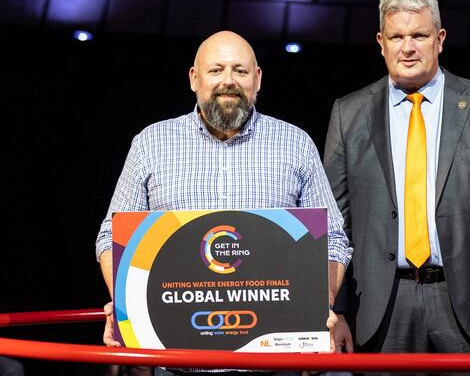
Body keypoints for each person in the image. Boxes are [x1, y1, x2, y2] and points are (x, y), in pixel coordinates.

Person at [95, 31, 351, 372]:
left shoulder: (296, 143)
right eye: (216, 70)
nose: (227, 81)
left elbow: (332, 239)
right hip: (177, 364)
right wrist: (127, 305)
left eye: (240, 71)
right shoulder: (150, 144)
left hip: (275, 363)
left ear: (257, 79)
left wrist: (318, 301)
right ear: (194, 78)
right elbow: (112, 237)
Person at [323, 0, 470, 355]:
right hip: (381, 310)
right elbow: (336, 223)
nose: (408, 47)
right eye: (397, 36)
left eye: (419, 35)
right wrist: (338, 312)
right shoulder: (348, 113)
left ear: (440, 39)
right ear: (381, 42)